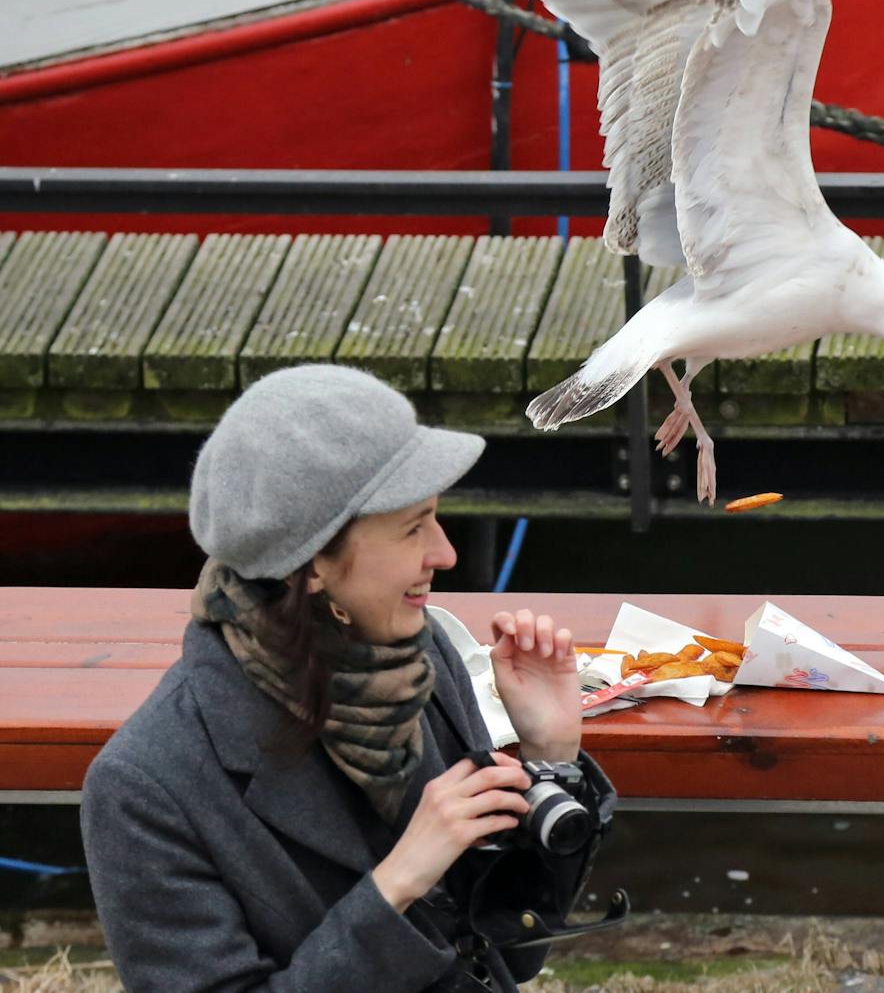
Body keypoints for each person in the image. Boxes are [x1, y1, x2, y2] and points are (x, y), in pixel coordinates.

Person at [80, 364, 617, 992]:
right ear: (311, 565)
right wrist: (396, 885)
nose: (446, 553)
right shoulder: (145, 787)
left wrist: (550, 759)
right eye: (414, 526)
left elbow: (508, 953)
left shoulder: (418, 657)